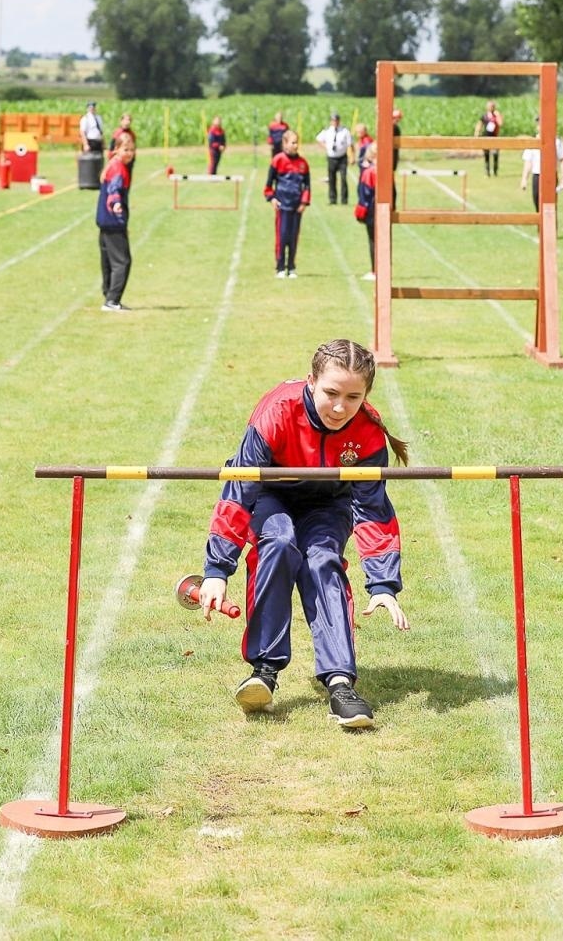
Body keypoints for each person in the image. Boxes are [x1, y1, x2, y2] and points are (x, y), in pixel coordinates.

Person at [195, 338, 411, 729]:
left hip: (329, 505)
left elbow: (374, 512)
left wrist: (382, 584)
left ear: (366, 395)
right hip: (271, 495)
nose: (340, 407)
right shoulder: (277, 410)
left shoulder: (366, 431)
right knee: (278, 543)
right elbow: (240, 490)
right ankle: (264, 670)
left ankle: (341, 683)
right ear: (311, 381)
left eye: (353, 397)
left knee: (322, 560)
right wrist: (216, 569)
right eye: (330, 393)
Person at [95, 136, 136, 312]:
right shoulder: (118, 168)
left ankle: (108, 295)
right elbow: (114, 190)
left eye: (132, 150)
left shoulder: (111, 165)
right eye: (126, 150)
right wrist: (117, 205)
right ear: (117, 149)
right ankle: (112, 300)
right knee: (122, 261)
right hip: (113, 220)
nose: (130, 154)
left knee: (108, 261)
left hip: (104, 220)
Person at [265, 130, 312, 277]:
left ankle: (291, 266)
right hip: (282, 205)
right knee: (282, 236)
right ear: (285, 144)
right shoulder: (278, 160)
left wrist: (304, 202)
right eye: (293, 142)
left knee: (293, 236)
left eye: (297, 142)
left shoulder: (303, 163)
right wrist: (272, 198)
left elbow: (307, 186)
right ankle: (280, 267)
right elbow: (268, 185)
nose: (296, 145)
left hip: (296, 206)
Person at [521, 116, 563, 212]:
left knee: (550, 207)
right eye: (539, 124)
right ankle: (540, 227)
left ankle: (550, 226)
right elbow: (528, 162)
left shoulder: (557, 142)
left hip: (551, 176)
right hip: (537, 175)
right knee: (537, 204)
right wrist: (524, 179)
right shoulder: (533, 142)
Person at [315, 112, 353, 205]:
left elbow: (350, 144)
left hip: (342, 158)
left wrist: (352, 156)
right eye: (333, 120)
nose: (335, 122)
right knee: (332, 179)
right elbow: (318, 139)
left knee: (343, 178)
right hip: (331, 158)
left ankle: (344, 199)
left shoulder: (344, 131)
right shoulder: (327, 131)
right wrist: (326, 147)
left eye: (336, 120)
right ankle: (333, 199)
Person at [356, 151, 377, 279]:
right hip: (384, 209)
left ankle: (375, 270)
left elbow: (364, 193)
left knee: (373, 240)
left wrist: (362, 210)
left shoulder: (369, 172)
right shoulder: (386, 170)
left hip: (371, 210)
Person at [477, 100, 503, 175]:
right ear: (487, 107)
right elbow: (480, 124)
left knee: (495, 154)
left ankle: (495, 170)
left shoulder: (496, 115)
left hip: (495, 138)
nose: (491, 108)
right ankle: (487, 170)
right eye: (490, 106)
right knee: (486, 155)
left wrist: (497, 115)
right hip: (486, 137)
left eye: (493, 106)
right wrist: (477, 134)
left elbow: (500, 123)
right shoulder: (484, 116)